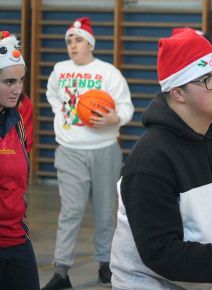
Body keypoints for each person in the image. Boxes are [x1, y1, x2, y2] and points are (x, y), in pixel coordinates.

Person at [110, 28, 212, 290]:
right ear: (178, 93)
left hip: (205, 278)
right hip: (148, 282)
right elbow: (161, 252)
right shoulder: (150, 160)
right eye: (207, 79)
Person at [41, 16, 134, 290]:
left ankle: (106, 264)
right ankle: (61, 270)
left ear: (90, 44)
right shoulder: (59, 70)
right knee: (70, 211)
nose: (73, 45)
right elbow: (52, 95)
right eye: (69, 40)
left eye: (78, 40)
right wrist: (63, 113)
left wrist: (113, 119)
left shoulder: (108, 73)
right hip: (70, 151)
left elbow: (126, 108)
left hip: (104, 150)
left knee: (106, 211)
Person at [0, 32, 40, 290]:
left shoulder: (18, 121)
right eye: (9, 82)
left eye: (21, 80)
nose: (18, 89)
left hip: (16, 239)